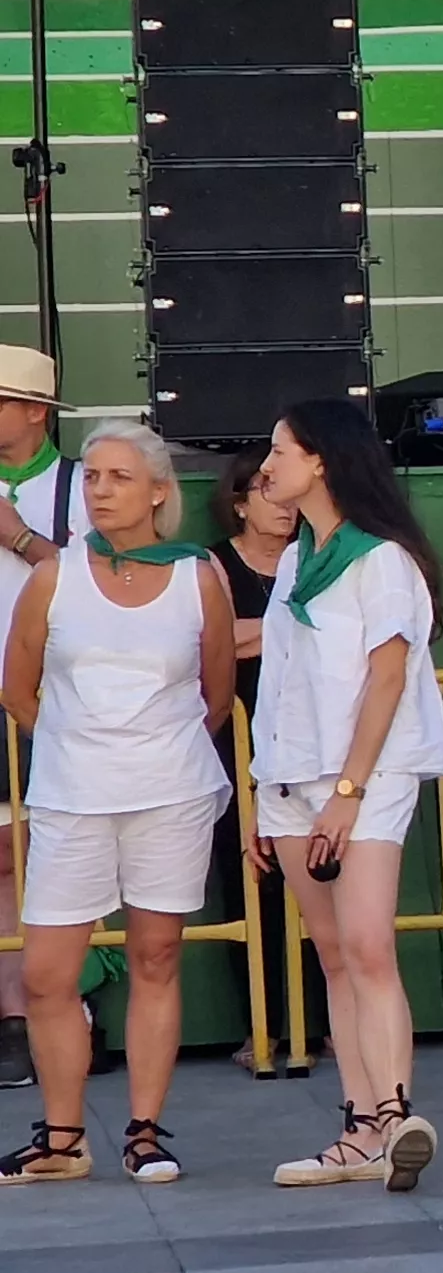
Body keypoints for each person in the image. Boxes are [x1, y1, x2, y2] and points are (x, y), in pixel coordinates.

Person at [0, 422, 231, 1186]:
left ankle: (143, 1132)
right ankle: (62, 1140)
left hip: (170, 792)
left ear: (159, 491)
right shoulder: (53, 576)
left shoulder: (199, 577)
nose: (99, 489)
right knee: (45, 975)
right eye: (92, 476)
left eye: (118, 477)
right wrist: (71, 741)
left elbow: (216, 693)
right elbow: (17, 686)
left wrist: (147, 749)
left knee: (156, 956)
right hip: (72, 798)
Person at [251, 399, 443, 1190]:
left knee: (367, 945)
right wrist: (270, 791)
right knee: (333, 953)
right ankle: (361, 1126)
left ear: (322, 461)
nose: (268, 466)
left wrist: (347, 789)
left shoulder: (383, 561)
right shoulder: (298, 561)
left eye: (280, 450)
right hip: (291, 780)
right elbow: (281, 686)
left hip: (365, 778)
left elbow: (387, 677)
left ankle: (397, 1115)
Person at [0, 344, 90, 1089]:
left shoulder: (78, 489)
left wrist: (19, 536)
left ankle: (35, 1010)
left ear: (35, 412)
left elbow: (105, 581)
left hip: (47, 698)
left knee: (34, 851)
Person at [213, 448, 291, 707]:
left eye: (291, 492)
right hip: (241, 707)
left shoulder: (309, 558)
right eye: (268, 490)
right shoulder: (215, 562)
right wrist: (299, 630)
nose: (285, 504)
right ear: (240, 505)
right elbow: (220, 642)